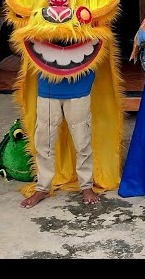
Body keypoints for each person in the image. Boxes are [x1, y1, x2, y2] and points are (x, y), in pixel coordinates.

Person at [21, 70, 99, 208]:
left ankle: (86, 185)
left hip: (79, 86)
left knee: (83, 141)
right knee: (44, 141)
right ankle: (42, 188)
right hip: (48, 86)